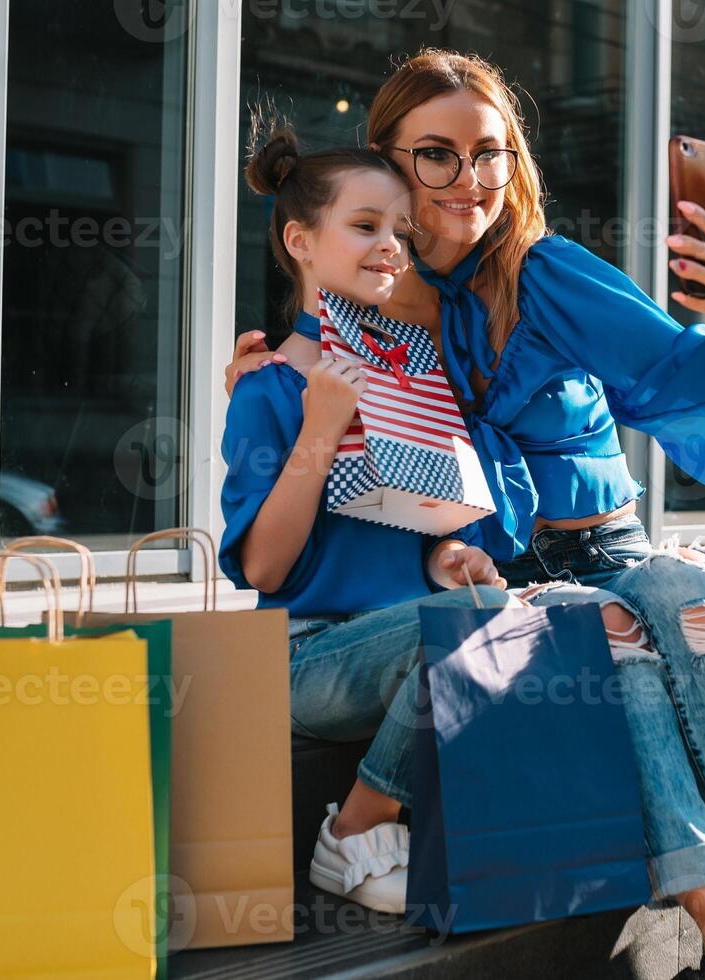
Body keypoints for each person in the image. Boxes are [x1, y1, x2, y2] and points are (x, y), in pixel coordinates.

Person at [227, 50, 705, 980]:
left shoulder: (538, 271)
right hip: (504, 573)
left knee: (699, 601)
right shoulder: (378, 303)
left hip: (603, 547)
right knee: (609, 646)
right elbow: (348, 456)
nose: (468, 180)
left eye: (491, 153)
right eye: (435, 156)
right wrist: (274, 377)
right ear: (390, 165)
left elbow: (677, 375)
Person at [222, 122, 510, 916]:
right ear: (300, 241)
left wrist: (450, 558)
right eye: (364, 226)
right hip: (304, 656)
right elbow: (264, 571)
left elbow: (425, 537)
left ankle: (379, 817)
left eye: (400, 231)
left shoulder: (414, 376)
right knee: (479, 624)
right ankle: (354, 831)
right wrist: (320, 430)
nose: (391, 245)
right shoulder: (270, 386)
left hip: (401, 639)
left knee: (498, 611)